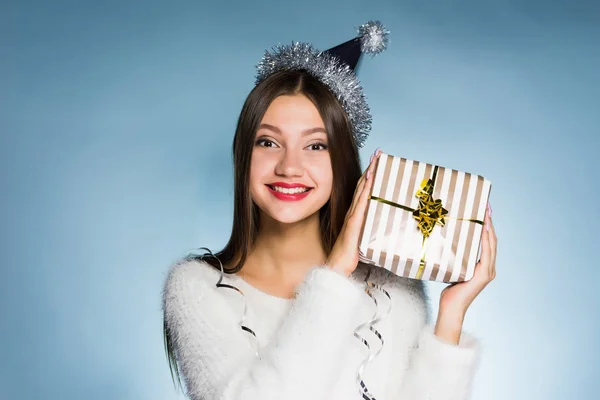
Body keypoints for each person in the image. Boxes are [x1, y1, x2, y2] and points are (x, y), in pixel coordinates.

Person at [162, 21, 497, 400]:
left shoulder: (391, 286)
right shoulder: (198, 288)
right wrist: (334, 275)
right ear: (243, 154)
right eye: (268, 141)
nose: (289, 167)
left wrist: (450, 316)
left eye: (316, 145)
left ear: (341, 161)